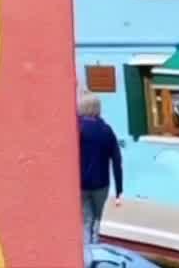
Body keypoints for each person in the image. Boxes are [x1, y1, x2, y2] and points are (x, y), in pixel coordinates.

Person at [79, 94, 124, 250]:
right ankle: (94, 246)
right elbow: (117, 160)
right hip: (101, 183)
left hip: (81, 183)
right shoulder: (106, 130)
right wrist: (119, 190)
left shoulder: (77, 129)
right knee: (97, 218)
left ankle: (86, 252)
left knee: (86, 219)